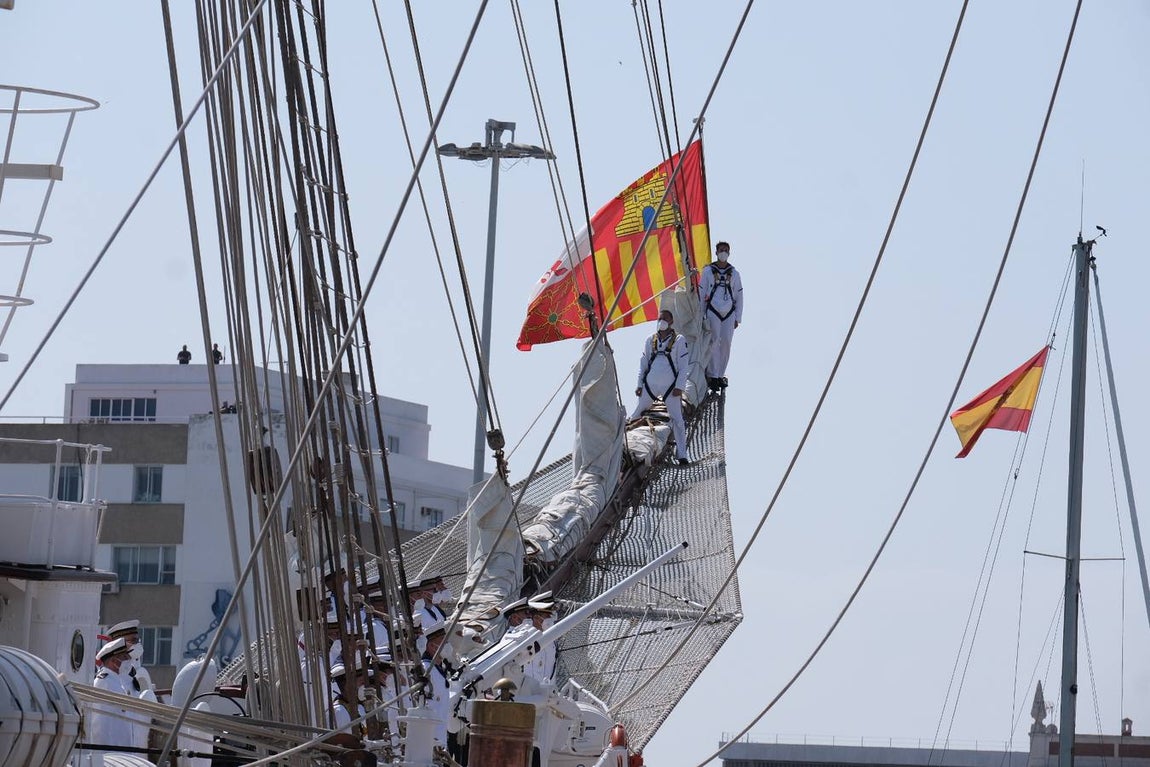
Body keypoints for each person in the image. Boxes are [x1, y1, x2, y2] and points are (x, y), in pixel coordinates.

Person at [630, 308, 691, 464]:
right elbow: (643, 364)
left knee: (677, 419)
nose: (661, 321)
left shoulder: (679, 340)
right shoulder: (650, 340)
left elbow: (684, 366)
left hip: (670, 387)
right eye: (659, 318)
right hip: (650, 385)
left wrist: (680, 386)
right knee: (636, 414)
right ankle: (626, 441)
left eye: (664, 319)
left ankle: (682, 454)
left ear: (671, 322)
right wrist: (639, 384)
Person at [698, 240, 743, 390]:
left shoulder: (734, 273)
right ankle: (712, 374)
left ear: (729, 253)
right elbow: (702, 292)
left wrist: (738, 317)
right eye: (721, 250)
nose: (723, 252)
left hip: (728, 312)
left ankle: (720, 374)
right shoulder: (708, 271)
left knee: (726, 343)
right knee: (713, 341)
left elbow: (739, 296)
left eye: (726, 250)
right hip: (713, 310)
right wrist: (701, 314)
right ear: (716, 252)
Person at [90, 638, 140, 753]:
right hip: (110, 754)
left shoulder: (116, 681)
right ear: (114, 661)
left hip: (122, 753)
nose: (129, 661)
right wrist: (104, 756)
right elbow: (100, 725)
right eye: (124, 658)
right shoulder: (104, 682)